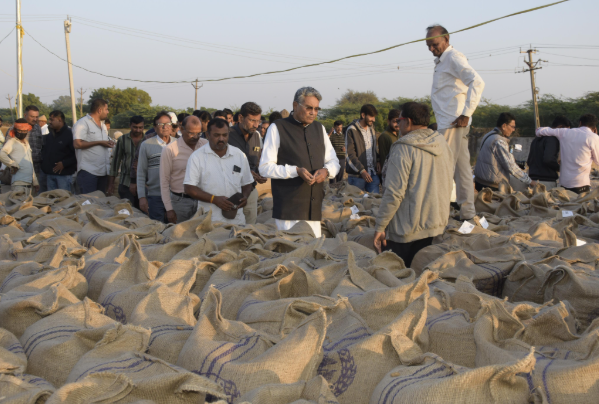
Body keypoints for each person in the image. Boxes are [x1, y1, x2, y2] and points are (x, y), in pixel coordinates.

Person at [373, 102, 453, 267]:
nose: (398, 124)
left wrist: (380, 225)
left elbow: (394, 193)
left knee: (398, 278)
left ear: (408, 121)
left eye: (399, 120)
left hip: (406, 230)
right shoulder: (442, 143)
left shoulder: (403, 148)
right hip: (435, 225)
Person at [259, 86, 340, 237]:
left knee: (312, 254)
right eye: (309, 108)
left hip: (314, 210)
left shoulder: (319, 128)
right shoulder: (277, 128)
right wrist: (295, 171)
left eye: (316, 109)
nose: (313, 113)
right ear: (295, 105)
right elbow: (264, 168)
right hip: (289, 213)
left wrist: (326, 171)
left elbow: (334, 161)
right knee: (291, 256)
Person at [426, 24, 485, 220]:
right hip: (449, 123)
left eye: (435, 44)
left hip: (452, 123)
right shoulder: (443, 60)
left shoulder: (453, 57)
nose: (432, 49)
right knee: (462, 171)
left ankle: (439, 215)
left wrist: (467, 113)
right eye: (428, 46)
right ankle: (467, 214)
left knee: (443, 170)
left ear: (446, 40)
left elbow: (477, 82)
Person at [184, 118, 254, 225]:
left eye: (225, 135)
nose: (221, 139)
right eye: (216, 135)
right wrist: (214, 199)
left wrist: (244, 196)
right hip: (209, 221)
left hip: (237, 219)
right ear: (207, 135)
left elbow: (247, 182)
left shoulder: (239, 155)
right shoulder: (197, 157)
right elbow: (189, 188)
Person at [536, 114, 599, 194]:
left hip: (564, 184)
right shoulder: (593, 137)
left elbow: (538, 131)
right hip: (582, 184)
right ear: (594, 127)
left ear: (580, 123)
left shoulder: (564, 132)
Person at [161, 116, 208, 224]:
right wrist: (169, 209)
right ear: (182, 130)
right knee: (179, 235)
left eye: (198, 133)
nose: (195, 137)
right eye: (191, 133)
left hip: (203, 200)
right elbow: (164, 181)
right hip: (180, 202)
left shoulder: (205, 145)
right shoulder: (170, 150)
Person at [473, 113, 536, 192]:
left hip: (480, 181)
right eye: (513, 127)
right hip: (491, 186)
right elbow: (511, 166)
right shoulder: (499, 141)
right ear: (504, 126)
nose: (513, 130)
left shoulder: (489, 135)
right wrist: (530, 181)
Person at [228, 102, 267, 225]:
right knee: (229, 227)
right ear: (240, 118)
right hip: (230, 191)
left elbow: (255, 162)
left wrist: (258, 174)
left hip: (250, 190)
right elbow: (222, 164)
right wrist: (248, 173)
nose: (256, 125)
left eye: (258, 121)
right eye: (252, 120)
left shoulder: (256, 136)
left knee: (250, 227)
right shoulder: (227, 135)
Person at [137, 111, 176, 222]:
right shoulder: (146, 145)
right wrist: (142, 197)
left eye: (168, 124)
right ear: (154, 127)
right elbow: (140, 173)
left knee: (175, 229)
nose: (165, 127)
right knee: (157, 227)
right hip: (155, 195)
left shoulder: (178, 144)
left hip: (175, 196)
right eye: (160, 124)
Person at [73, 99, 114, 195]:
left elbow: (103, 143)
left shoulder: (103, 126)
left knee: (100, 204)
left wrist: (108, 143)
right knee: (88, 204)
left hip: (103, 172)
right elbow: (77, 144)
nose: (107, 112)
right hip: (88, 172)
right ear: (100, 110)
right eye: (106, 109)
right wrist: (99, 142)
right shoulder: (82, 123)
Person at [108, 116, 145, 208]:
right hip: (126, 182)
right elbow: (116, 161)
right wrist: (111, 183)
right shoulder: (122, 140)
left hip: (143, 183)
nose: (137, 130)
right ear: (130, 126)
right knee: (128, 210)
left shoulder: (147, 140)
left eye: (140, 127)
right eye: (135, 127)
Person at [527, 116, 570, 190]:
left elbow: (529, 161)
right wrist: (559, 168)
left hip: (532, 180)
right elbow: (548, 159)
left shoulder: (536, 139)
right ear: (560, 127)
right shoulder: (552, 139)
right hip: (546, 182)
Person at [346, 104, 381, 193]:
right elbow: (350, 154)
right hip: (357, 176)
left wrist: (378, 160)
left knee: (374, 202)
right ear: (363, 115)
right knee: (356, 205)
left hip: (372, 173)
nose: (374, 119)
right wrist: (362, 170)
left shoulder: (371, 129)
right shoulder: (351, 130)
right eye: (372, 116)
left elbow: (373, 149)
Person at [0, 119, 39, 196]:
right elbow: (1, 154)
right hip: (18, 184)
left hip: (29, 184)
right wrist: (12, 164)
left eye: (24, 131)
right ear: (15, 130)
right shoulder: (12, 142)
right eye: (20, 130)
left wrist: (35, 182)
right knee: (18, 206)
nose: (22, 133)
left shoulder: (26, 143)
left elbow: (30, 163)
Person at [41, 110, 76, 192]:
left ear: (59, 120)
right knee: (52, 201)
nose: (49, 122)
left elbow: (77, 154)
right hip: (49, 175)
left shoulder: (70, 134)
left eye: (51, 120)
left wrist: (64, 163)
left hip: (64, 176)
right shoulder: (50, 135)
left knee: (65, 201)